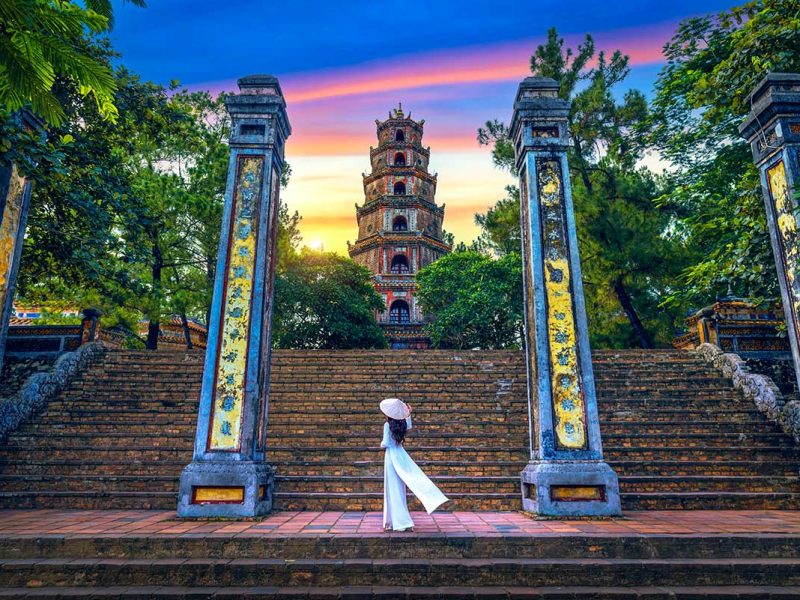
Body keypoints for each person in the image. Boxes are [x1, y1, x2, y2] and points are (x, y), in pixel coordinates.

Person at [379, 397, 449, 532]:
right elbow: (408, 426)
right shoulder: (402, 424)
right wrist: (408, 415)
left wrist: (381, 444)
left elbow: (386, 443)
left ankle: (398, 522)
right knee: (400, 488)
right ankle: (399, 521)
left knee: (392, 488)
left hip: (391, 456)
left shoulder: (387, 425)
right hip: (401, 455)